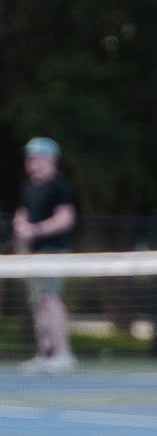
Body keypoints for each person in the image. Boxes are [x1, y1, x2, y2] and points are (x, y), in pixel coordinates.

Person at [12, 136, 77, 374]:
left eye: (37, 157)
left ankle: (63, 353)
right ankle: (45, 352)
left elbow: (66, 219)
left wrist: (36, 230)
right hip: (32, 254)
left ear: (50, 159)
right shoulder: (28, 187)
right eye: (30, 157)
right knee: (38, 304)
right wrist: (20, 226)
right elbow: (23, 215)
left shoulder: (60, 186)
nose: (32, 162)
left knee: (51, 300)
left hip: (53, 251)